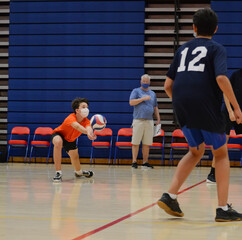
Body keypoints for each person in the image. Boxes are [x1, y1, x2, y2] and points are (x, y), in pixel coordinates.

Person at [157, 8, 242, 222]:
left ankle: (170, 195)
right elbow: (222, 79)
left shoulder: (182, 49)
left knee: (195, 151)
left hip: (181, 103)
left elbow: (168, 84)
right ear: (215, 29)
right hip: (205, 104)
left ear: (194, 28)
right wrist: (236, 106)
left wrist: (181, 103)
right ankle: (223, 208)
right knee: (220, 154)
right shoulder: (216, 48)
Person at [207, 69, 242, 183]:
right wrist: (230, 111)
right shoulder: (236, 75)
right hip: (229, 112)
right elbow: (225, 92)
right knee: (221, 143)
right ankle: (213, 173)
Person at [51, 97, 96, 182]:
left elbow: (89, 128)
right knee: (58, 142)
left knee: (75, 157)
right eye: (83, 107)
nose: (86, 109)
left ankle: (79, 172)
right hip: (59, 134)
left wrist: (90, 133)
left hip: (70, 140)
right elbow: (77, 126)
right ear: (77, 110)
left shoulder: (87, 121)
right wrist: (87, 132)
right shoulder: (71, 118)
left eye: (87, 107)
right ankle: (58, 173)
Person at [129, 74, 160, 169]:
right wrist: (142, 99)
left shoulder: (153, 93)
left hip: (149, 121)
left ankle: (145, 162)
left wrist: (158, 118)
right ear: (141, 82)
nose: (145, 83)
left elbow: (155, 107)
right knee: (136, 142)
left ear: (149, 82)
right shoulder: (136, 91)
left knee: (147, 143)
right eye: (144, 81)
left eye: (147, 81)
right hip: (138, 120)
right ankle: (134, 161)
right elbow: (131, 102)